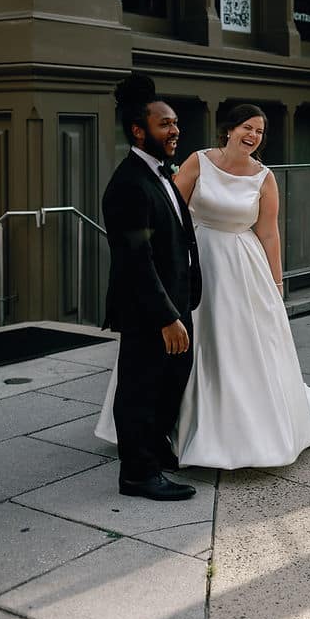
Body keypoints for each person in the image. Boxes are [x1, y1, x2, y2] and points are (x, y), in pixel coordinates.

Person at [170, 103, 310, 469]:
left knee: (238, 345)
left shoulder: (264, 177)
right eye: (247, 127)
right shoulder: (199, 161)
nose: (253, 136)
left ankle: (243, 430)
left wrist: (276, 284)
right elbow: (172, 209)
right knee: (200, 339)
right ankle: (187, 421)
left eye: (259, 131)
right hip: (197, 258)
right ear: (228, 129)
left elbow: (269, 234)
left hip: (242, 266)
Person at [95, 75, 202, 501]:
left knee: (171, 377)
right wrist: (166, 317)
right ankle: (137, 474)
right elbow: (135, 262)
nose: (175, 130)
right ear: (139, 131)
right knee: (140, 387)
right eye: (165, 124)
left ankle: (154, 449)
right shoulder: (127, 184)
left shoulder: (159, 173)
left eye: (175, 122)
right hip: (148, 309)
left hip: (175, 301)